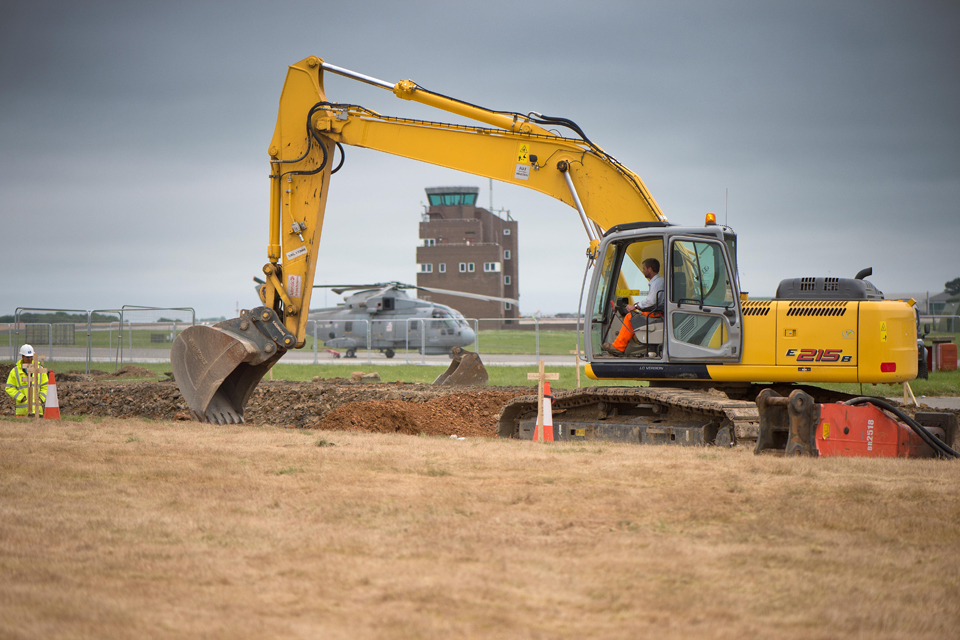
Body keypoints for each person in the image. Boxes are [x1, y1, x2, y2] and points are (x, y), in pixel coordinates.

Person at [602, 258, 663, 357]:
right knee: (635, 316)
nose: (643, 271)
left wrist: (635, 306)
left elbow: (651, 301)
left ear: (650, 269)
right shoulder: (659, 281)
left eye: (644, 268)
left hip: (655, 314)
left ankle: (618, 347)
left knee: (630, 317)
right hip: (655, 312)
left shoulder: (656, 283)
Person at [5, 344, 48, 417]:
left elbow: (46, 386)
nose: (30, 359)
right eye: (27, 357)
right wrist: (20, 397)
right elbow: (9, 387)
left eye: (31, 356)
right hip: (22, 412)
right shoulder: (15, 371)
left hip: (37, 412)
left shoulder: (39, 370)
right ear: (22, 356)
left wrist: (41, 398)